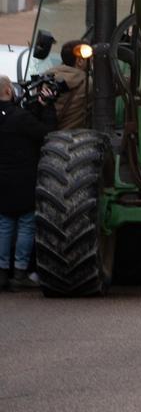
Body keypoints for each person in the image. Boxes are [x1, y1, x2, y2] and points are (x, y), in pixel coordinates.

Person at [0, 75, 58, 291]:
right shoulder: (20, 117)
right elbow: (46, 134)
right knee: (25, 223)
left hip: (2, 179)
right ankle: (20, 272)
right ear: (8, 91)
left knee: (4, 224)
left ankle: (2, 271)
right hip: (23, 177)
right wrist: (48, 108)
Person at [45, 40, 91, 130]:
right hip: (72, 139)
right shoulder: (88, 84)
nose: (93, 61)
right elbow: (120, 83)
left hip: (50, 139)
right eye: (91, 58)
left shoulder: (48, 77)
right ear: (80, 61)